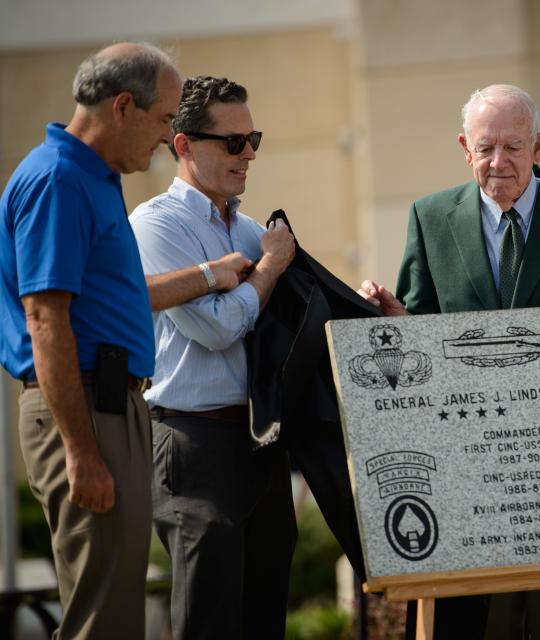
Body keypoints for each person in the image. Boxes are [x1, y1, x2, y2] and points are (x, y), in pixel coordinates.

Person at [359, 84, 540, 640]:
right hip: (465, 448)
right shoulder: (430, 216)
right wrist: (398, 324)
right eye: (485, 148)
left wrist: (536, 393)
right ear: (464, 147)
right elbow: (424, 323)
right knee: (482, 616)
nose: (498, 162)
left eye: (513, 147)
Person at [0, 42, 247, 640]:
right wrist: (81, 451)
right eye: (165, 119)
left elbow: (121, 295)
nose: (168, 138)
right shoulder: (58, 179)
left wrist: (214, 274)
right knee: (102, 621)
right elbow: (46, 320)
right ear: (121, 107)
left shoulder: (90, 176)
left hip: (111, 404)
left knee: (114, 613)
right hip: (86, 408)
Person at [129, 75, 298, 639]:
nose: (247, 154)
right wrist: (270, 269)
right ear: (183, 145)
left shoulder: (253, 233)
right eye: (232, 142)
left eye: (254, 139)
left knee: (263, 616)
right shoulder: (155, 225)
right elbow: (218, 330)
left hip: (260, 439)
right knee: (210, 621)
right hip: (191, 442)